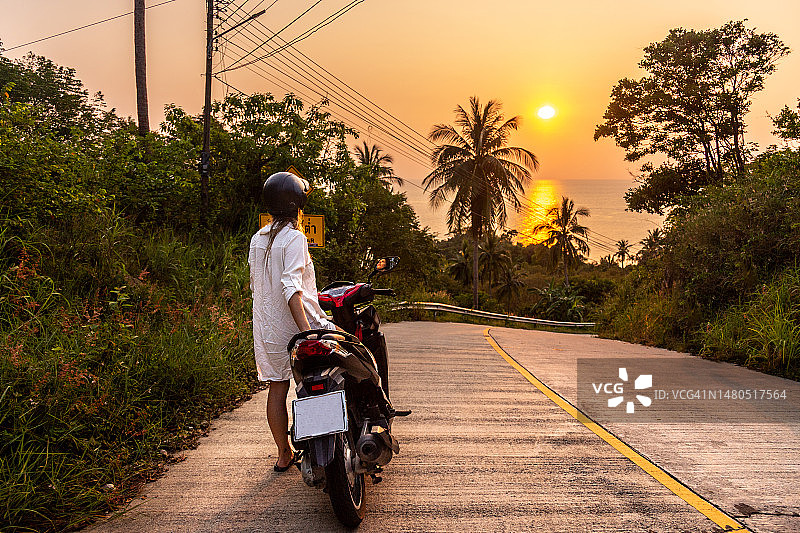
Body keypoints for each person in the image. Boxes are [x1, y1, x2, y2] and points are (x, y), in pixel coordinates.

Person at [248, 171, 337, 472]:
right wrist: (308, 332)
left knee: (277, 386)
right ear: (297, 206)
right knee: (331, 370)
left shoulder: (257, 239)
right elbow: (291, 288)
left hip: (267, 328)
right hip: (297, 323)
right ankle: (327, 444)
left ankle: (283, 453)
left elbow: (255, 286)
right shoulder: (295, 238)